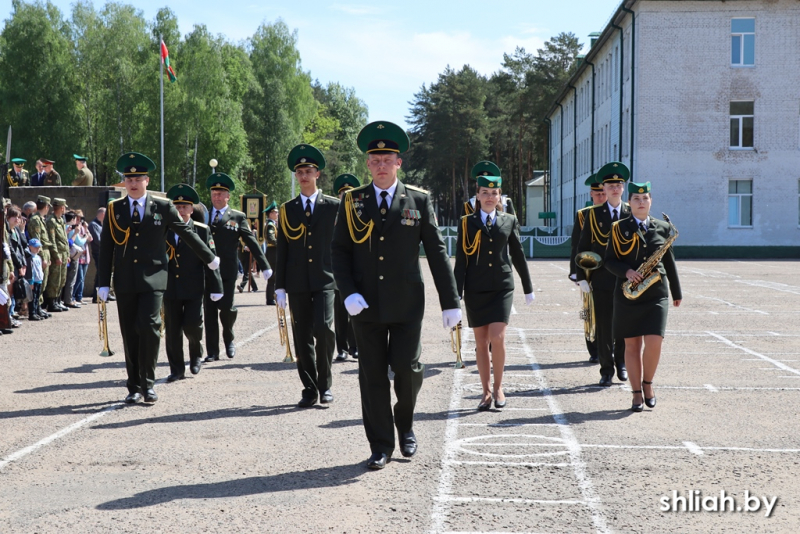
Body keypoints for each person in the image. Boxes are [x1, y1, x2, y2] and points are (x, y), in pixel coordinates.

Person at [331, 121, 461, 470]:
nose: (382, 165)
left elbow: (435, 252)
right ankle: (381, 444)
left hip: (406, 304)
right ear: (368, 164)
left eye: (388, 158)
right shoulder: (352, 201)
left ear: (399, 163)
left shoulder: (418, 199)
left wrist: (451, 301)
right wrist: (349, 293)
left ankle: (405, 425)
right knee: (371, 375)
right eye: (375, 159)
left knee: (407, 369)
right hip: (366, 305)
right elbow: (339, 251)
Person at [96, 152, 220, 404]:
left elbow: (186, 232)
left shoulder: (163, 207)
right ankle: (134, 384)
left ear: (147, 180)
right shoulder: (114, 209)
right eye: (128, 178)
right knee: (130, 332)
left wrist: (209, 258)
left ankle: (148, 384)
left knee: (151, 328)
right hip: (125, 280)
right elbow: (107, 246)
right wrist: (101, 282)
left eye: (138, 178)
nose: (133, 183)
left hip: (154, 279)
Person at [454, 174, 535, 410]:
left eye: (494, 193)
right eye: (485, 193)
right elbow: (461, 259)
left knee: (497, 338)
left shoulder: (509, 220)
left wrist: (528, 287)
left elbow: (518, 255)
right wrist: (455, 293)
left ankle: (499, 387)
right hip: (476, 288)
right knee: (481, 343)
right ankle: (486, 391)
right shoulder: (466, 222)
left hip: (501, 287)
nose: (490, 197)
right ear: (477, 196)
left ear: (500, 196)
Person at [604, 181, 682, 411]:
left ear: (651, 201)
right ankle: (636, 392)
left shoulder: (663, 228)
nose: (641, 202)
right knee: (632, 345)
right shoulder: (618, 228)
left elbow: (670, 261)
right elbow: (608, 260)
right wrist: (626, 271)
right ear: (630, 202)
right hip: (629, 294)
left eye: (645, 198)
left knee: (655, 342)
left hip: (657, 293)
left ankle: (648, 383)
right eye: (636, 199)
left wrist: (676, 291)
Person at [274, 144, 339, 407]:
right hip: (298, 281)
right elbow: (283, 248)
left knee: (323, 330)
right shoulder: (287, 209)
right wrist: (279, 286)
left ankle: (325, 384)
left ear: (317, 174)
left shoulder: (334, 206)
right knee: (301, 337)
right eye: (299, 171)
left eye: (308, 171)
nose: (303, 176)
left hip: (325, 279)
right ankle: (310, 389)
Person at [204, 172, 271, 362]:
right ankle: (212, 351)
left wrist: (265, 266)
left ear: (228, 196)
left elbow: (251, 241)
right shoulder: (203, 214)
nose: (216, 197)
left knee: (226, 309)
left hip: (226, 271)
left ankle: (229, 339)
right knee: (209, 312)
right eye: (214, 193)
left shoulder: (237, 217)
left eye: (220, 193)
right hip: (206, 272)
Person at [576, 161, 631, 387]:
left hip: (627, 280)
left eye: (619, 185)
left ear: (623, 188)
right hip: (602, 279)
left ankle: (623, 364)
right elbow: (583, 246)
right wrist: (581, 277)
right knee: (605, 326)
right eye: (611, 186)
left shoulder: (631, 211)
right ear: (604, 189)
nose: (615, 189)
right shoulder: (593, 214)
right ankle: (606, 369)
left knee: (624, 325)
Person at [163, 184, 224, 381]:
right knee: (172, 330)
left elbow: (210, 260)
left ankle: (196, 353)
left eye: (184, 207)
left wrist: (217, 287)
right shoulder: (164, 230)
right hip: (170, 287)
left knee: (192, 326)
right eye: (177, 207)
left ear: (191, 209)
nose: (180, 211)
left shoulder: (202, 230)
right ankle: (177, 369)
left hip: (193, 287)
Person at [569, 174, 606, 363]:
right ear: (591, 194)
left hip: (607, 269)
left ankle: (608, 347)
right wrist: (576, 273)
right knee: (588, 310)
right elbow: (576, 245)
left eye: (603, 193)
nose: (601, 197)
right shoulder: (583, 214)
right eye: (597, 193)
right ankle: (593, 348)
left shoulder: (616, 212)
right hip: (588, 270)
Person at [332, 173, 360, 361]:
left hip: (357, 268)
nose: (345, 196)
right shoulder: (332, 215)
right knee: (340, 312)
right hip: (337, 268)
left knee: (356, 311)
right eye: (342, 193)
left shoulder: (360, 215)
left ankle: (355, 346)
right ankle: (341, 348)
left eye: (349, 192)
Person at [26, 196, 52, 318]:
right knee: (38, 285)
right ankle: (35, 309)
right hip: (40, 254)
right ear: (46, 206)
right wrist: (43, 258)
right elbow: (37, 239)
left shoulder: (40, 219)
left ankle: (38, 308)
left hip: (44, 252)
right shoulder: (36, 220)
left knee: (43, 283)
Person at [44, 198, 69, 313]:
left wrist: (67, 254)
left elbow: (65, 239)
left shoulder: (60, 220)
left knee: (61, 279)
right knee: (54, 279)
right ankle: (51, 303)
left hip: (63, 253)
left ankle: (58, 301)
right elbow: (52, 241)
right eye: (64, 207)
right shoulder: (52, 221)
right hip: (57, 254)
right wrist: (56, 256)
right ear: (62, 207)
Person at [25, 238, 46, 321]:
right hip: (33, 281)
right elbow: (31, 271)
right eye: (35, 247)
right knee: (33, 298)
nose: (38, 249)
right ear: (30, 247)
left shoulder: (38, 257)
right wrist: (31, 281)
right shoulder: (30, 257)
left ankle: (36, 311)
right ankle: (32, 313)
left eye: (39, 247)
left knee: (37, 297)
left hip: (39, 280)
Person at [88, 208, 105, 303]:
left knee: (101, 274)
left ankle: (100, 296)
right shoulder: (93, 225)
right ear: (102, 214)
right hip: (98, 252)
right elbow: (98, 240)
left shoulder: (101, 224)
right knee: (100, 274)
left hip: (102, 253)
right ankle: (96, 296)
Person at [263, 201, 278, 305]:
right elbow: (271, 238)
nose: (277, 214)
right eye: (276, 212)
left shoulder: (271, 224)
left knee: (274, 277)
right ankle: (270, 299)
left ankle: (271, 297)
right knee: (272, 277)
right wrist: (280, 244)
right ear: (271, 213)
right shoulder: (270, 225)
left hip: (273, 252)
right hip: (272, 252)